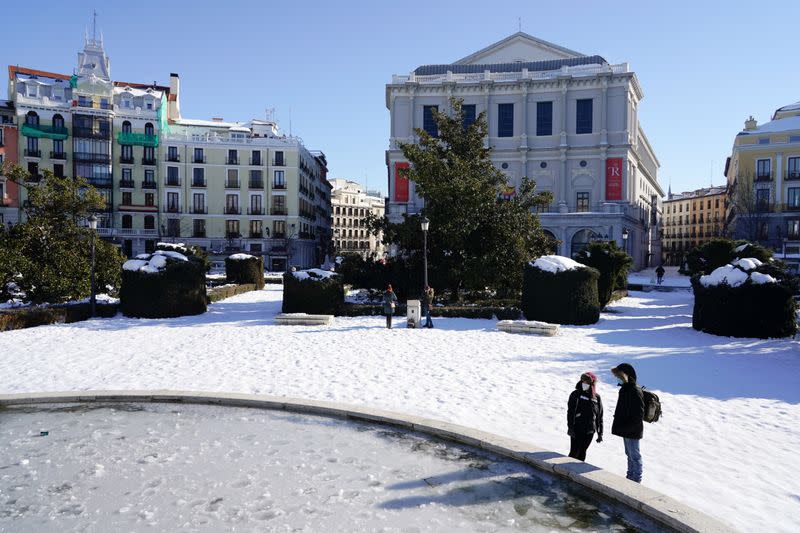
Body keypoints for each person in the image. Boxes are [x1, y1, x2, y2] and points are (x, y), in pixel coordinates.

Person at [611, 363, 645, 483]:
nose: (617, 378)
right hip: (626, 428)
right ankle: (630, 478)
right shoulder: (625, 389)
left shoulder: (635, 390)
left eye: (619, 375)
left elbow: (639, 413)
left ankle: (636, 480)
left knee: (635, 456)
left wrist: (629, 426)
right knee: (629, 454)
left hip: (632, 429)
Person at [567, 372, 603, 461]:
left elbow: (599, 416)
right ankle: (565, 470)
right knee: (574, 451)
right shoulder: (576, 394)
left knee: (583, 451)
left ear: (592, 383)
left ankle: (576, 472)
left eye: (587, 382)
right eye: (583, 381)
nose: (584, 383)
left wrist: (600, 433)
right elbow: (571, 412)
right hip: (577, 428)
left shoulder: (597, 397)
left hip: (590, 430)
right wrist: (570, 427)